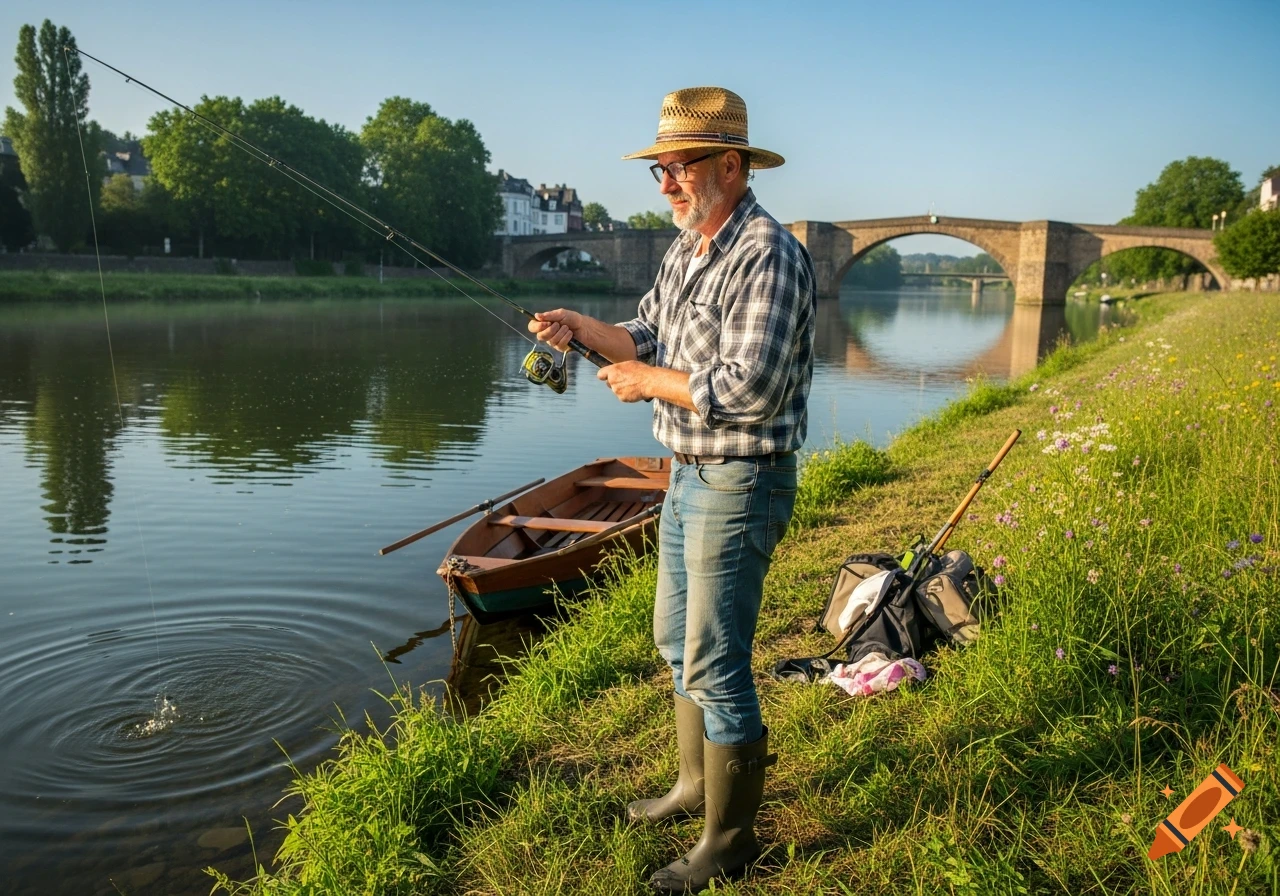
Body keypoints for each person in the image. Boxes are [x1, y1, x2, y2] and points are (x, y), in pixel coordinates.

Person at [528, 86, 816, 893]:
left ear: (730, 165)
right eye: (658, 169)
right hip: (688, 473)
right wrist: (586, 331)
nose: (664, 184)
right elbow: (645, 333)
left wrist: (648, 380)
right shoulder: (689, 247)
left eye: (678, 168)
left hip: (743, 477)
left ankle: (728, 843)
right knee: (673, 640)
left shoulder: (767, 252)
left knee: (718, 661)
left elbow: (750, 384)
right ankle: (693, 787)